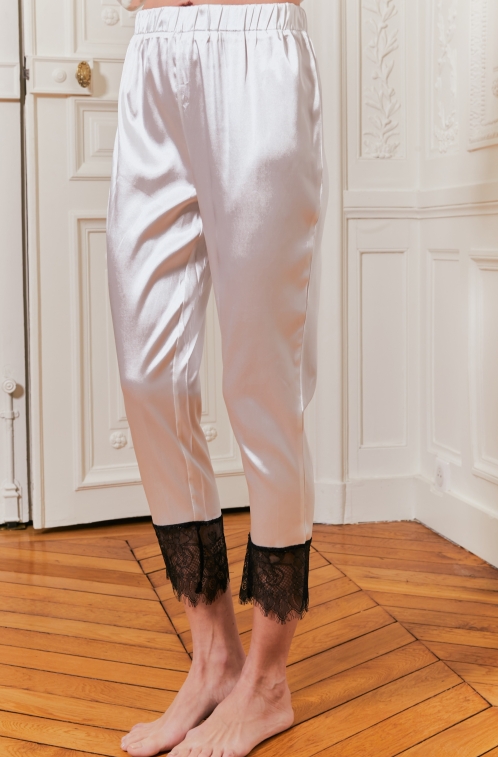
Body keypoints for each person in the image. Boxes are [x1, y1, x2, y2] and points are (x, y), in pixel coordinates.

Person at [106, 0, 327, 754]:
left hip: (254, 48)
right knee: (147, 376)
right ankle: (213, 658)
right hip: (152, 54)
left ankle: (266, 682)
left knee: (262, 383)